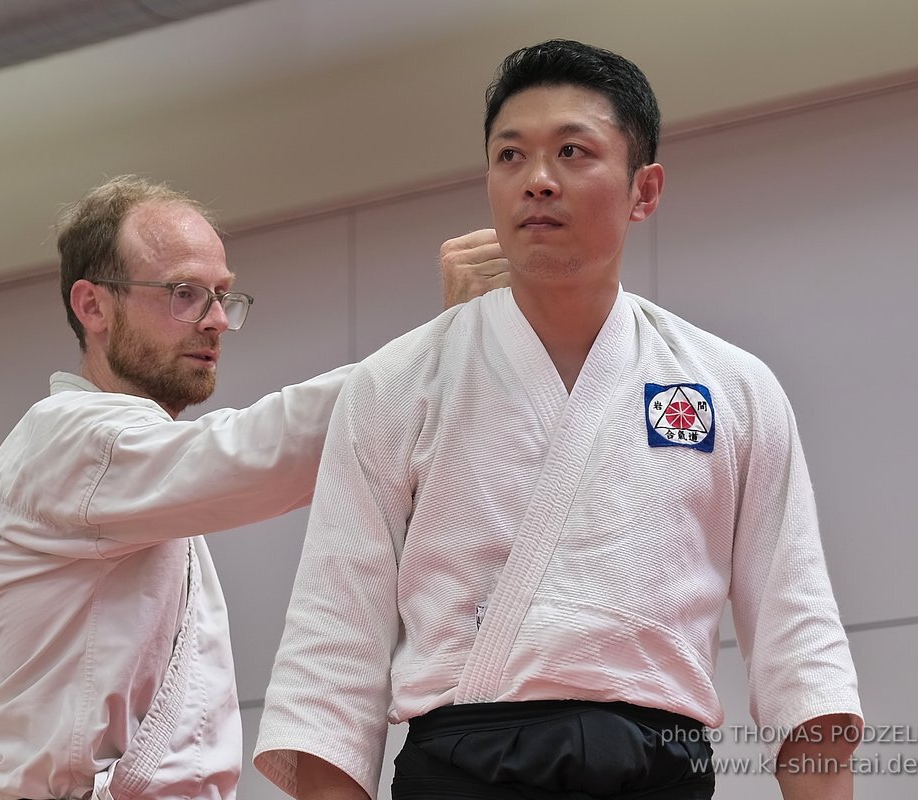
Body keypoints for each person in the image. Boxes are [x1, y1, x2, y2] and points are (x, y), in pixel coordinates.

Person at [254, 40, 863, 800]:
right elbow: (332, 655)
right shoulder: (395, 384)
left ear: (645, 190)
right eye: (510, 157)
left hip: (659, 767)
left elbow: (797, 640)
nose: (537, 181)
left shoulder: (732, 387)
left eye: (573, 152)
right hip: (461, 767)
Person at [0, 175, 507, 800]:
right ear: (93, 306)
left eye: (222, 296)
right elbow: (259, 448)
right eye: (184, 294)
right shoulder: (66, 441)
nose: (217, 320)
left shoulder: (133, 467)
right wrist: (440, 345)